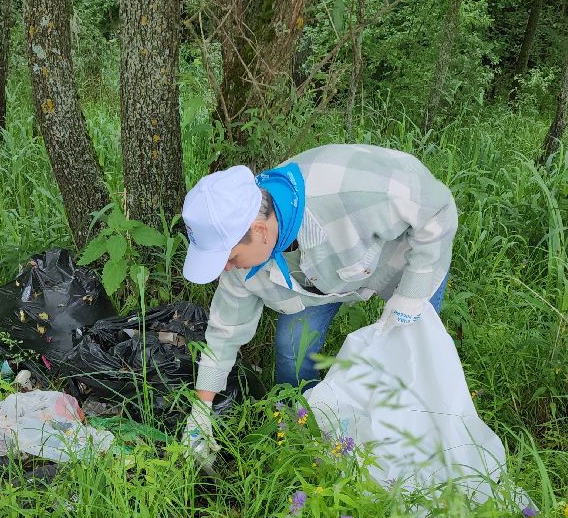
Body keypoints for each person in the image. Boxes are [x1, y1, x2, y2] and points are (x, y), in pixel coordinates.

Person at [181, 143, 458, 471]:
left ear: (258, 231)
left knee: (412, 360)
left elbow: (436, 211)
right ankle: (304, 435)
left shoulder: (352, 188)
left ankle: (412, 450)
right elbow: (224, 333)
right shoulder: (243, 267)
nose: (227, 269)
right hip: (318, 286)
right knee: (291, 351)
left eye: (228, 258)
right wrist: (202, 408)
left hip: (399, 263)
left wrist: (410, 298)